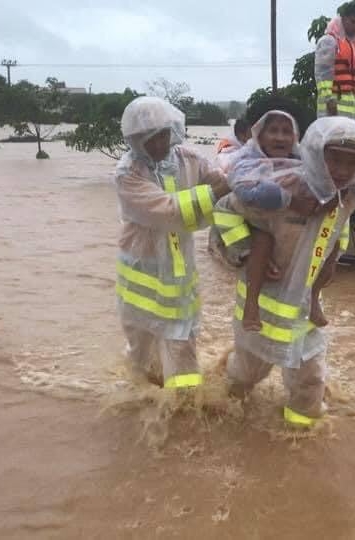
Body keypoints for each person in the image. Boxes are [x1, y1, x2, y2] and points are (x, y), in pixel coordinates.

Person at [213, 117, 355, 427]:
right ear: (315, 154)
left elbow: (339, 228)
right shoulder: (283, 186)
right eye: (335, 160)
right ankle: (226, 419)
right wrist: (245, 253)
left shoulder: (351, 193)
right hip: (263, 306)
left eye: (352, 163)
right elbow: (224, 210)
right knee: (246, 377)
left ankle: (300, 438)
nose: (343, 170)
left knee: (311, 379)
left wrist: (334, 257)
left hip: (303, 307)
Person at [113, 96, 231, 389]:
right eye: (146, 139)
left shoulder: (190, 160)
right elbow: (168, 211)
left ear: (172, 130)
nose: (156, 145)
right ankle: (142, 399)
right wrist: (215, 194)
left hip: (179, 278)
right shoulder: (128, 174)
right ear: (134, 140)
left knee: (182, 351)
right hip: (140, 280)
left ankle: (183, 409)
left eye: (162, 135)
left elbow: (223, 185)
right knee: (141, 359)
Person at [219, 109, 333, 332]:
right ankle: (251, 306)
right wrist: (289, 199)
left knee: (332, 247)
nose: (280, 137)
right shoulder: (246, 160)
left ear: (296, 138)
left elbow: (324, 183)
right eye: (273, 131)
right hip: (259, 220)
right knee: (263, 241)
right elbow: (244, 188)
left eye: (286, 131)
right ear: (259, 136)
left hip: (295, 230)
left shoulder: (302, 161)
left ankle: (314, 300)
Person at [314, 2, 355, 124]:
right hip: (331, 108)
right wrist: (329, 99)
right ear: (343, 19)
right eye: (353, 22)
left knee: (353, 142)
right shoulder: (329, 41)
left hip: (353, 110)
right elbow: (322, 75)